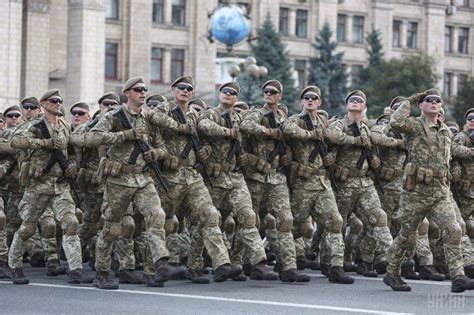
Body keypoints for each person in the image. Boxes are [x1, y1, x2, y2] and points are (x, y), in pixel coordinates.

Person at [85, 77, 184, 289]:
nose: (143, 92)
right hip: (119, 180)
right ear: (128, 93)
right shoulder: (115, 116)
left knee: (156, 216)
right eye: (138, 89)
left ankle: (157, 265)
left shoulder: (149, 118)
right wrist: (124, 135)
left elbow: (163, 146)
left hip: (143, 178)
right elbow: (94, 137)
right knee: (112, 227)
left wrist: (155, 153)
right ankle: (101, 272)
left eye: (145, 89)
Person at [149, 76, 242, 283]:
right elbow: (154, 118)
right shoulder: (164, 109)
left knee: (210, 214)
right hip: (169, 176)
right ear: (173, 89)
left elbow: (201, 136)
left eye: (189, 89)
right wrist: (178, 127)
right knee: (163, 221)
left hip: (192, 175)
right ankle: (154, 268)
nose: (185, 91)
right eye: (181, 87)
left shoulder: (193, 115)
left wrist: (204, 151)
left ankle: (221, 264)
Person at [385, 89, 474, 293]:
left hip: (440, 191)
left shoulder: (445, 131)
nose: (433, 103)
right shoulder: (414, 126)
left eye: (437, 100)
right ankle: (392, 272)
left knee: (454, 229)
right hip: (415, 191)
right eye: (428, 100)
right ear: (421, 105)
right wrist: (411, 99)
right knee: (408, 235)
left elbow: (452, 154)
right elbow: (395, 122)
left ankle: (458, 276)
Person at [8, 89, 91, 285]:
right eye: (54, 101)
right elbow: (15, 141)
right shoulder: (34, 125)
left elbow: (70, 151)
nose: (58, 103)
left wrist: (72, 166)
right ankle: (14, 265)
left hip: (60, 185)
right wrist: (44, 142)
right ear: (44, 104)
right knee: (28, 227)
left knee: (71, 223)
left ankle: (76, 269)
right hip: (38, 185)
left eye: (60, 100)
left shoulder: (63, 125)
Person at [197, 81, 277, 282]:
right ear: (219, 94)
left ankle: (259, 264)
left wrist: (247, 158)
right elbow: (203, 126)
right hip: (214, 177)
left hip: (235, 176)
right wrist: (228, 132)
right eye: (225, 91)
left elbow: (250, 133)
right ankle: (196, 264)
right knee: (209, 220)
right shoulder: (210, 114)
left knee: (248, 216)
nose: (228, 95)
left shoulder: (240, 119)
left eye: (233, 93)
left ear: (236, 98)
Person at [240, 80, 310, 282]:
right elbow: (246, 125)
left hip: (277, 176)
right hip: (256, 176)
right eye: (266, 92)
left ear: (280, 96)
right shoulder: (257, 113)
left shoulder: (284, 117)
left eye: (273, 92)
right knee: (251, 221)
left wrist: (287, 154)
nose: (269, 94)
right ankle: (248, 262)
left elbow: (290, 140)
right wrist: (269, 131)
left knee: (285, 219)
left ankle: (288, 266)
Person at [283, 85, 354, 284]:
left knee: (335, 221)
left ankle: (335, 266)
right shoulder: (295, 120)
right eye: (306, 97)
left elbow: (334, 139)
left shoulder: (325, 124)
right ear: (301, 102)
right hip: (302, 184)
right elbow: (288, 130)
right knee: (293, 226)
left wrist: (330, 155)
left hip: (323, 182)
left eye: (314, 97)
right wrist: (311, 135)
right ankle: (287, 264)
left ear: (319, 102)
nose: (310, 100)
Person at [326, 90, 393, 278]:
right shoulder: (339, 124)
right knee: (338, 223)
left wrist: (375, 161)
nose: (355, 102)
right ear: (347, 105)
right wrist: (354, 140)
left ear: (364, 107)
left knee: (378, 218)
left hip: (364, 182)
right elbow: (332, 136)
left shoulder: (365, 127)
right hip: (344, 183)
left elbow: (376, 143)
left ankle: (381, 258)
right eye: (352, 100)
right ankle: (332, 263)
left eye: (359, 101)